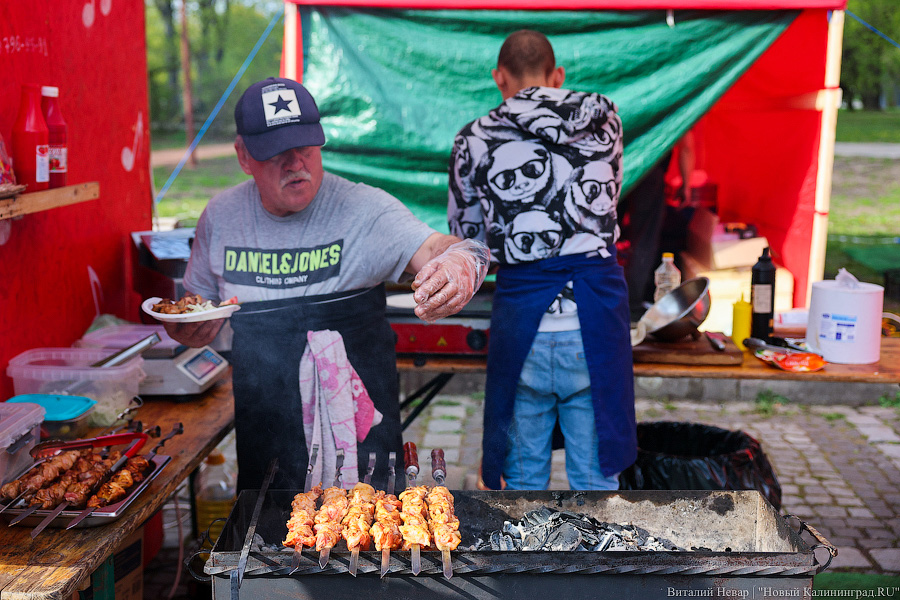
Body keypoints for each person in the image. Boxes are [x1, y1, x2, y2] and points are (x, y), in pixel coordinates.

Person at [161, 77, 489, 491]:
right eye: (277, 152)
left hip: (361, 443)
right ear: (244, 156)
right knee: (270, 541)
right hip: (266, 434)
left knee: (369, 545)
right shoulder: (222, 216)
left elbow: (438, 247)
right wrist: (187, 331)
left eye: (305, 146)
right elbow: (194, 308)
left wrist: (461, 259)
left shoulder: (364, 209)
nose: (296, 162)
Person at [448, 30, 636, 491]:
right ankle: (597, 563)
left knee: (523, 484)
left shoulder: (472, 140)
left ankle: (525, 564)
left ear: (499, 79)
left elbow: (466, 240)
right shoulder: (604, 122)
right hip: (594, 320)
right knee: (595, 482)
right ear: (558, 76)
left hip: (523, 324)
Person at [618, 131, 695, 320]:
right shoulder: (673, 101)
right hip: (648, 170)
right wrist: (686, 183)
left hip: (611, 169)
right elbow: (686, 146)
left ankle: (602, 300)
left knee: (600, 239)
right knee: (644, 239)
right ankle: (632, 306)